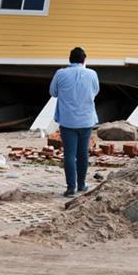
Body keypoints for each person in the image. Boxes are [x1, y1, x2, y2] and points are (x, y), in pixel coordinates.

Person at [50, 47, 99, 197]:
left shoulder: (60, 74)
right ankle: (82, 185)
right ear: (84, 60)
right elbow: (95, 92)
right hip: (86, 120)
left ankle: (71, 188)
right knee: (83, 153)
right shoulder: (92, 74)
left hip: (68, 121)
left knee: (70, 155)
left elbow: (53, 93)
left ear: (69, 60)